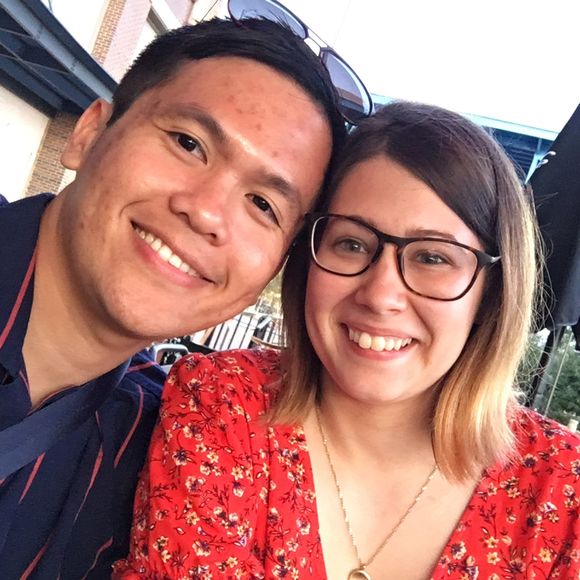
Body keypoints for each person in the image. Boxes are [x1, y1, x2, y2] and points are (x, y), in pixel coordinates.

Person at [116, 101, 580, 579]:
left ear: (491, 294)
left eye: (433, 258)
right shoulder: (225, 401)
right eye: (352, 244)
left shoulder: (564, 488)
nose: (380, 295)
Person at [0, 12, 356, 577]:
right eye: (189, 144)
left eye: (263, 205)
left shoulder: (168, 468)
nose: (207, 212)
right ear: (90, 134)